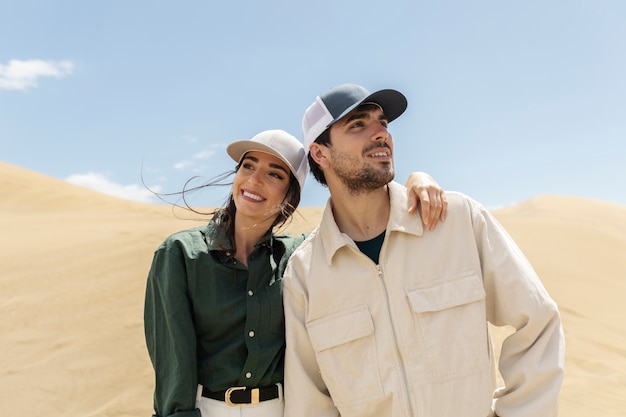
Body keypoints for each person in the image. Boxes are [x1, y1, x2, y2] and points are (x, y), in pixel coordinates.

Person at [282, 84, 565, 417]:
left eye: (383, 122)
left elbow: (538, 322)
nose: (380, 133)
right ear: (319, 154)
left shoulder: (458, 221)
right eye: (358, 124)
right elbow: (309, 401)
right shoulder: (305, 274)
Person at [144, 129, 447, 417]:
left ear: (290, 197)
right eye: (248, 166)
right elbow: (174, 365)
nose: (254, 180)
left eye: (275, 174)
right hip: (206, 409)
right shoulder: (181, 254)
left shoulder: (301, 257)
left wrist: (415, 182)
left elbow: (363, 222)